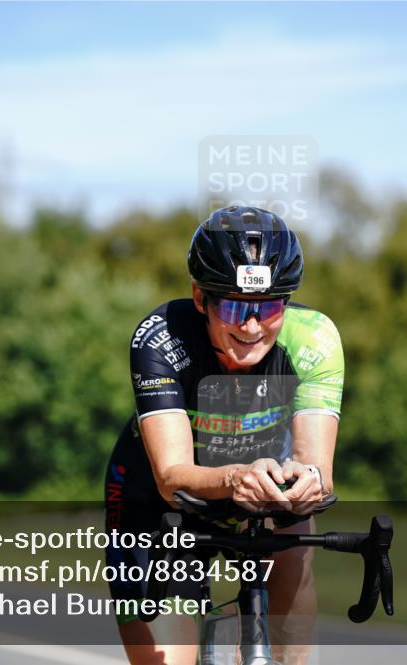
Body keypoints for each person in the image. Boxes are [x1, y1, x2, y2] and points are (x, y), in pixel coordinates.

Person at [104, 206, 343, 665]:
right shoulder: (162, 338)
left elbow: (319, 469)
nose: (251, 326)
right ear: (200, 296)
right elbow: (171, 476)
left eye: (269, 307)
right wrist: (235, 478)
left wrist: (310, 479)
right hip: (162, 503)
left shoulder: (316, 341)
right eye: (234, 305)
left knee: (293, 593)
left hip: (265, 489)